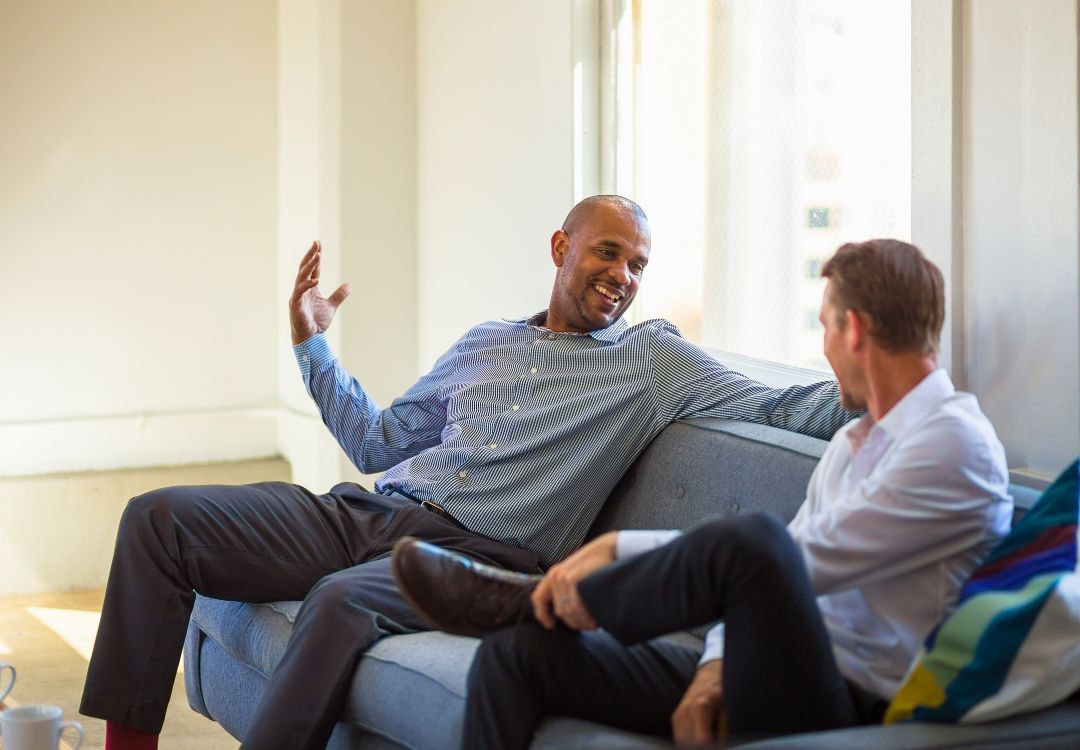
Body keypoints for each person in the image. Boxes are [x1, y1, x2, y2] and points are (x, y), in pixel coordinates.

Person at [79, 195, 852, 750]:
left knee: (341, 600)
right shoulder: (487, 341)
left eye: (638, 265)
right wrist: (313, 346)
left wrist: (880, 377)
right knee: (159, 520)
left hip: (481, 555)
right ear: (561, 247)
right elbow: (377, 441)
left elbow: (785, 407)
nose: (623, 275)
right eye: (608, 252)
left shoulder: (652, 359)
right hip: (369, 513)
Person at [391, 238, 1014, 749]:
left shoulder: (951, 444)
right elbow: (772, 580)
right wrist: (717, 665)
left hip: (851, 701)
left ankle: (535, 599)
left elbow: (795, 562)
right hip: (771, 663)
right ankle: (529, 614)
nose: (824, 348)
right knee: (517, 654)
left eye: (824, 327)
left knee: (760, 541)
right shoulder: (856, 442)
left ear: (853, 330)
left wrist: (614, 551)